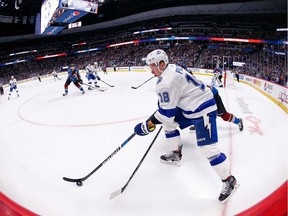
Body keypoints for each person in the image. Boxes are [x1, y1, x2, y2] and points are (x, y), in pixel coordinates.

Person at [134, 49, 238, 203]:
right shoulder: (171, 69)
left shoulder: (167, 82)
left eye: (153, 67)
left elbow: (166, 114)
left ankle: (229, 180)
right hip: (190, 106)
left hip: (203, 109)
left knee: (208, 149)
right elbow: (167, 112)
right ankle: (175, 153)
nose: (151, 71)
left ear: (162, 64)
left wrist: (146, 125)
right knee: (168, 123)